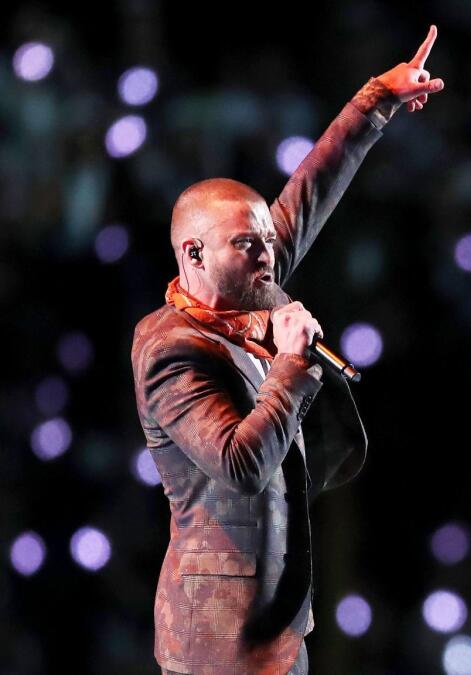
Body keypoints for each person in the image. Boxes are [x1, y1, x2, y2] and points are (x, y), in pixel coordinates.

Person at [129, 25, 445, 675]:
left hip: (276, 620)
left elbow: (308, 195)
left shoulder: (249, 284)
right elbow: (240, 462)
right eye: (249, 244)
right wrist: (295, 366)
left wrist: (374, 102)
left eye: (268, 241)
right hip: (218, 639)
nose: (268, 254)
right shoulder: (172, 351)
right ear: (193, 254)